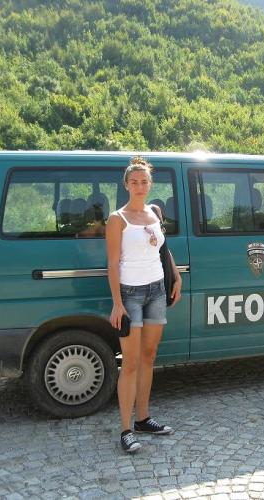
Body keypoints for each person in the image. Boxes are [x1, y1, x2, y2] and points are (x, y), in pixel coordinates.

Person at [106, 156, 182, 453]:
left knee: (149, 356)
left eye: (144, 181)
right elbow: (112, 264)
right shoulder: (118, 219)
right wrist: (116, 304)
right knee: (131, 362)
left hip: (156, 292)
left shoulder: (154, 212)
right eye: (134, 182)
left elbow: (163, 249)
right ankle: (126, 429)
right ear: (126, 185)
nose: (139, 186)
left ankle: (144, 418)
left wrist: (175, 276)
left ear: (150, 185)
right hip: (130, 295)